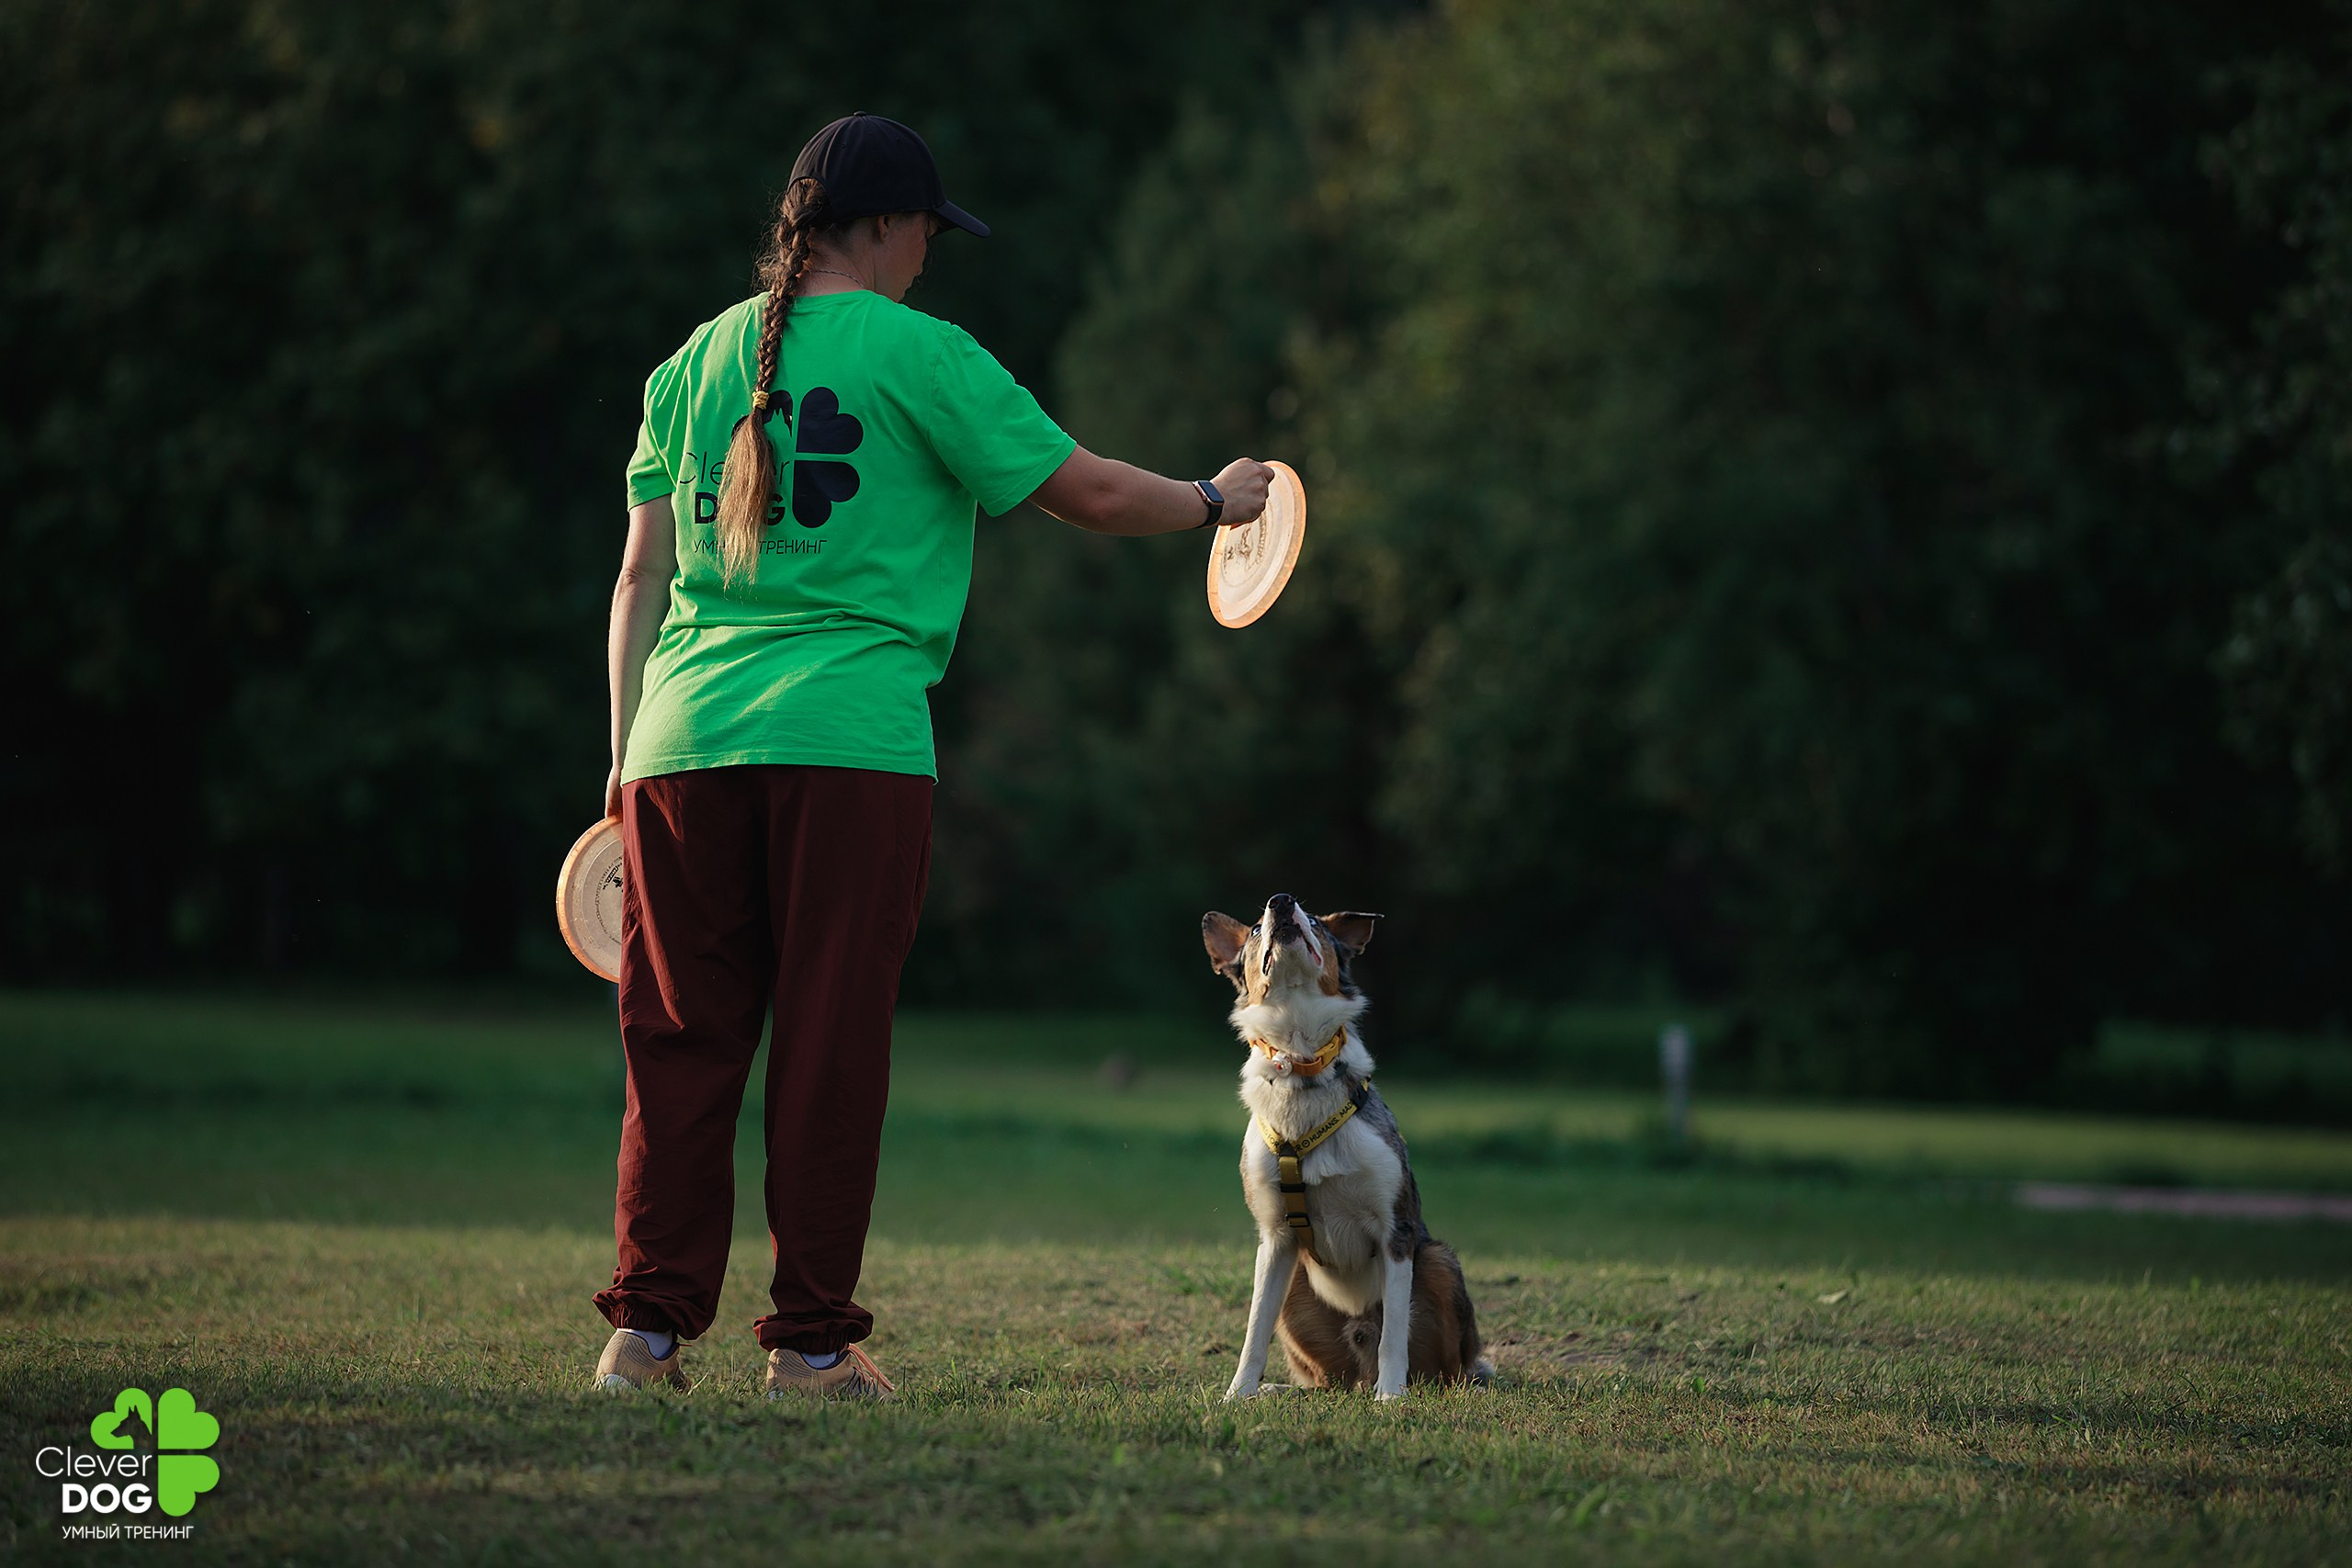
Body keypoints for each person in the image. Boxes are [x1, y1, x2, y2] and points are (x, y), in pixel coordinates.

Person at [591, 112, 1272, 1400]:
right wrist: (1209, 501)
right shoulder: (925, 355)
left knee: (679, 1043)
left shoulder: (690, 360)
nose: (929, 260)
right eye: (925, 236)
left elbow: (636, 576)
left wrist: (621, 763)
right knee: (828, 1045)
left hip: (678, 745)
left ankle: (646, 1338)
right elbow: (1086, 492)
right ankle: (808, 1349)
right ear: (888, 228)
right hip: (850, 748)